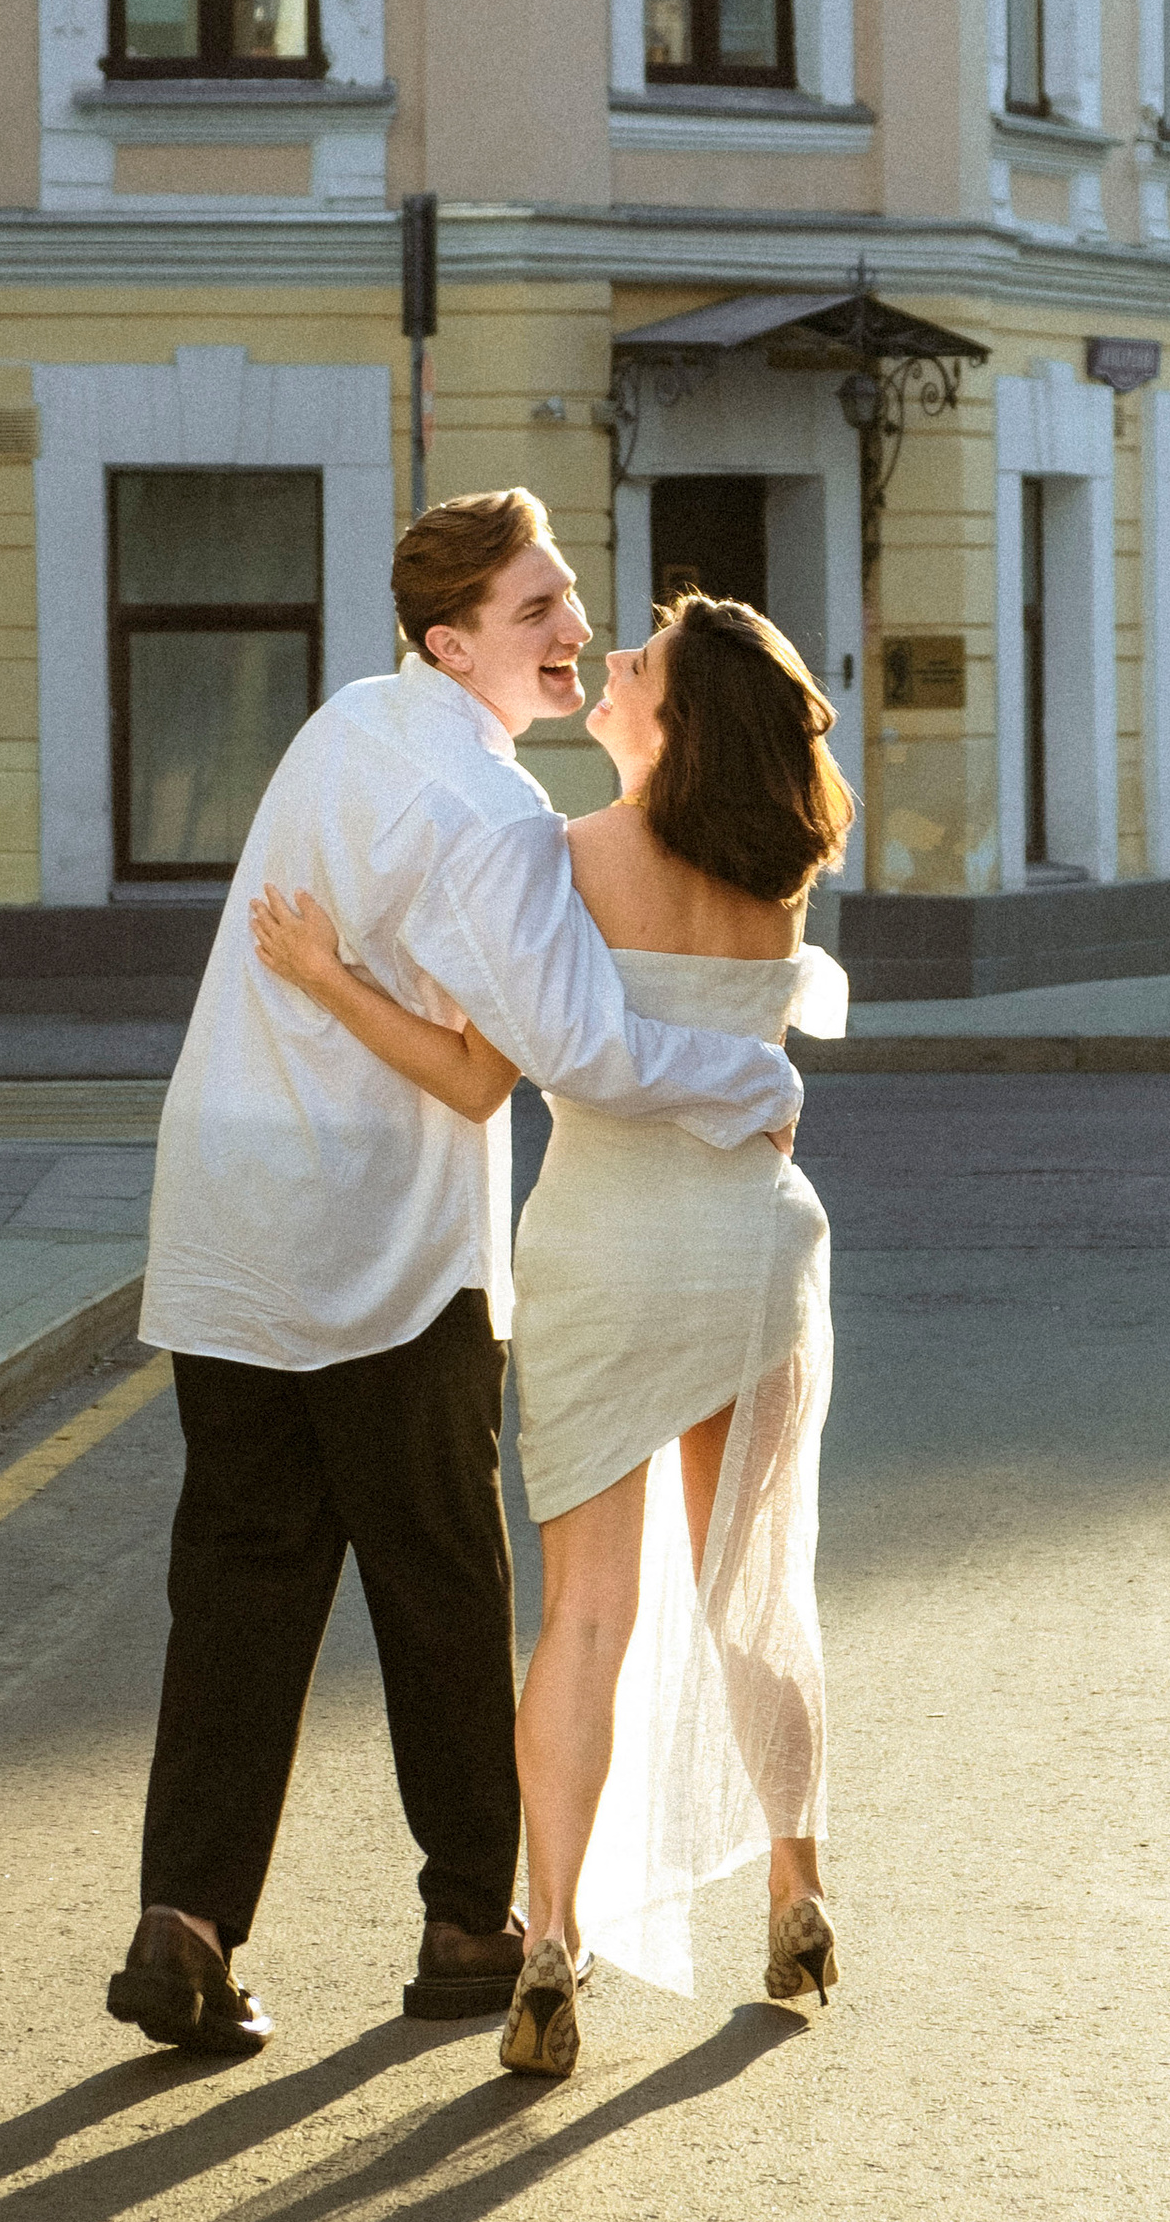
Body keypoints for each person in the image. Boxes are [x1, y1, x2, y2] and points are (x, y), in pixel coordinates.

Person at [106, 491, 801, 2065]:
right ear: (453, 639)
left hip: (223, 1212)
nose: (576, 632)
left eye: (570, 601)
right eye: (540, 609)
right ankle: (467, 1924)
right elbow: (575, 1053)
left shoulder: (347, 726)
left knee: (235, 1579)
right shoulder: (491, 823)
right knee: (441, 1584)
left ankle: (188, 1924)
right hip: (386, 1243)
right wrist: (745, 1077)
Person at [250, 591, 852, 2082]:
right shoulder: (780, 874)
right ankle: (798, 1890)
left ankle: (553, 1937)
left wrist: (326, 976)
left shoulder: (565, 859)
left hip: (597, 1249)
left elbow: (477, 1072)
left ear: (678, 721)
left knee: (586, 1617)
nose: (611, 670)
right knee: (757, 1594)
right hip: (753, 1245)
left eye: (638, 666)